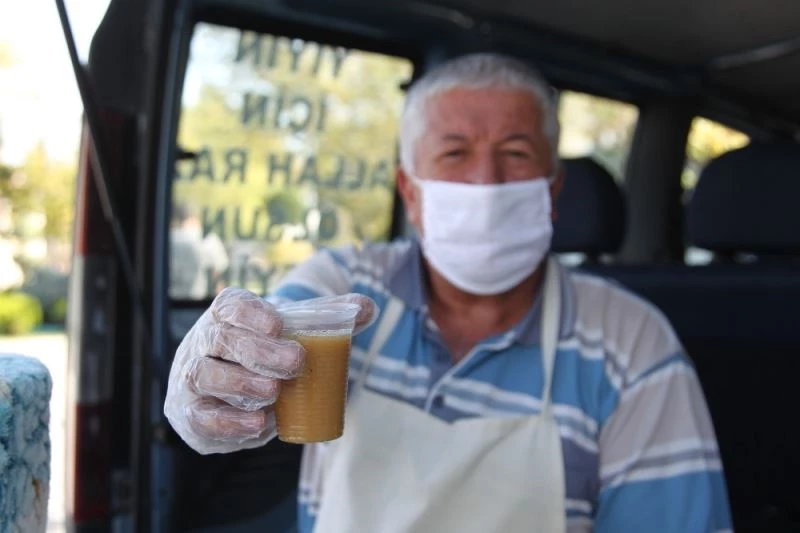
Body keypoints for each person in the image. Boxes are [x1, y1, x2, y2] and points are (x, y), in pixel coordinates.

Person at [164, 54, 732, 532]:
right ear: (410, 192)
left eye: (515, 153)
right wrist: (211, 378)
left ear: (552, 190)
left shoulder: (631, 343)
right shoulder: (345, 286)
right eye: (455, 153)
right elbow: (270, 327)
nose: (486, 181)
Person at [169, 203, 229, 300]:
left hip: (171, 298)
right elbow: (218, 273)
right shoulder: (209, 239)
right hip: (197, 298)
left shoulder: (170, 237)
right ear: (196, 217)